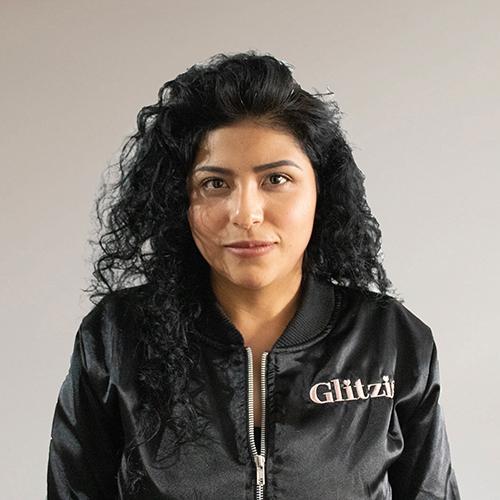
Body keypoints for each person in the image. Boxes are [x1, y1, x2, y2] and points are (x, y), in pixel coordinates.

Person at [47, 50, 461, 499]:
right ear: (179, 200)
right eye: (215, 184)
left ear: (321, 190)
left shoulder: (390, 340)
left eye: (276, 179)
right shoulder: (116, 338)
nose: (245, 214)